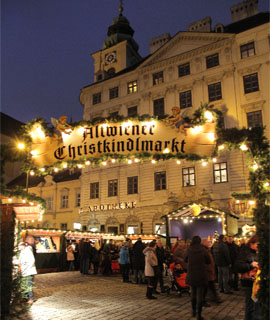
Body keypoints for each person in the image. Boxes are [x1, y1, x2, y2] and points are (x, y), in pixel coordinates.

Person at [235, 235, 261, 320]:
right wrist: (250, 265)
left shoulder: (258, 252)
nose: (259, 247)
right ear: (252, 243)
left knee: (256, 306)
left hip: (257, 282)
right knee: (250, 305)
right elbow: (238, 266)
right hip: (249, 282)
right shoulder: (245, 251)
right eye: (258, 244)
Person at [185, 236, 210, 320]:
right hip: (201, 274)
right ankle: (199, 315)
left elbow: (185, 259)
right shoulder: (203, 250)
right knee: (200, 295)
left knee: (193, 294)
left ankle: (193, 311)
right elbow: (208, 261)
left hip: (191, 274)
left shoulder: (189, 249)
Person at [201, 238, 222, 306]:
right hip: (207, 272)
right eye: (207, 242)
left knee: (210, 286)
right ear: (204, 243)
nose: (209, 243)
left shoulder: (207, 250)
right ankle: (208, 299)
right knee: (208, 287)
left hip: (209, 271)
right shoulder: (204, 250)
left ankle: (214, 298)